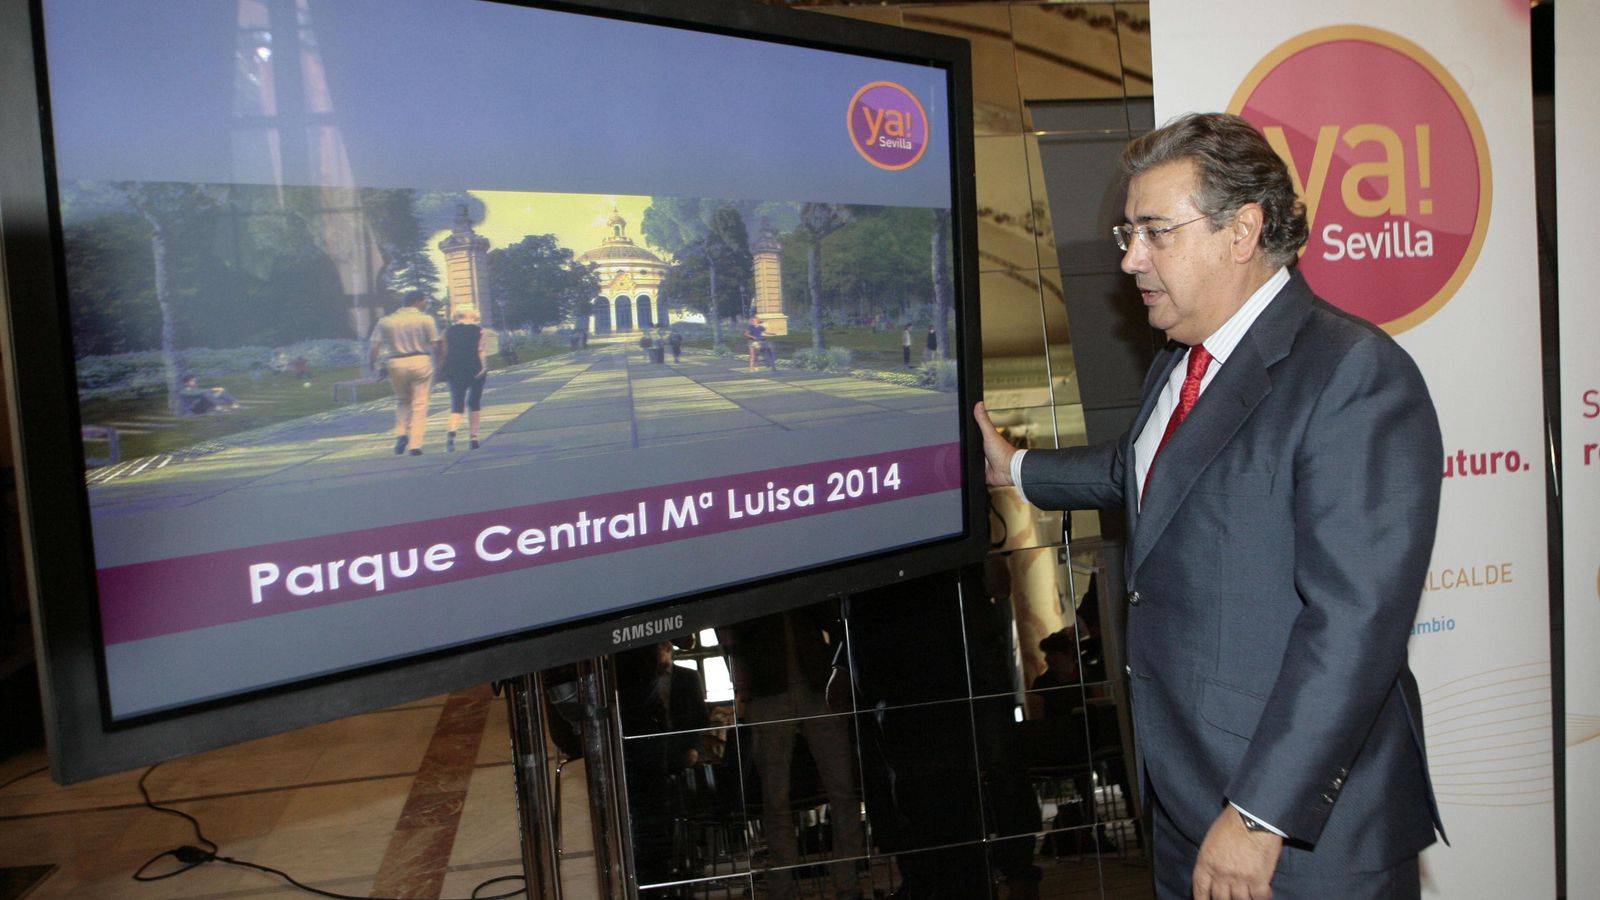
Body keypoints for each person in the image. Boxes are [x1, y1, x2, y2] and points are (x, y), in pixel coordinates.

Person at [973, 112, 1444, 899]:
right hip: (1187, 800)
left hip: (1295, 835)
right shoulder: (1182, 358)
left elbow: (1356, 626)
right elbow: (1148, 470)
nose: (1129, 259)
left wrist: (1258, 817)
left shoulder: (1353, 374)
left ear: (1242, 231)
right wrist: (1018, 469)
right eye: (1129, 231)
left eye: (1155, 231)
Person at [369, 291, 439, 456]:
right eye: (424, 300)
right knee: (420, 404)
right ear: (417, 301)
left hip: (396, 362)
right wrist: (440, 364)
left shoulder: (386, 321)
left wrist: (373, 366)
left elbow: (374, 347)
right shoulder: (425, 319)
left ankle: (401, 433)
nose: (426, 303)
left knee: (402, 401)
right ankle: (415, 445)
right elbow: (436, 345)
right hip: (420, 360)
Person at [437, 307, 488, 451]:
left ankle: (452, 432)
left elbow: (443, 352)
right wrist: (483, 367)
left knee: (457, 403)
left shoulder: (446, 332)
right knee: (474, 402)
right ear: (473, 316)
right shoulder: (480, 331)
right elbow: (481, 351)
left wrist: (441, 369)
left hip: (453, 369)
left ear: (456, 317)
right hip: (474, 368)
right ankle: (473, 438)